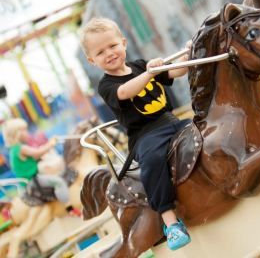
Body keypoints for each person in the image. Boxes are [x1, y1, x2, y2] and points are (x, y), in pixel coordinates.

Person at [80, 17, 191, 251]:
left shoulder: (140, 65)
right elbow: (125, 91)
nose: (109, 53)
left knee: (201, 128)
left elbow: (177, 72)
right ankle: (170, 223)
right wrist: (150, 73)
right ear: (92, 61)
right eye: (100, 52)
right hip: (146, 135)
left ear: (123, 42)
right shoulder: (107, 85)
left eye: (112, 46)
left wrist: (186, 54)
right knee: (152, 161)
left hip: (170, 120)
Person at [2, 118, 70, 204]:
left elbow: (35, 156)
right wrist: (51, 143)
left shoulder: (14, 150)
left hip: (30, 181)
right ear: (17, 133)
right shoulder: (21, 148)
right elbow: (38, 152)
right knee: (59, 182)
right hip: (32, 181)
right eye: (25, 130)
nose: (28, 132)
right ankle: (69, 207)